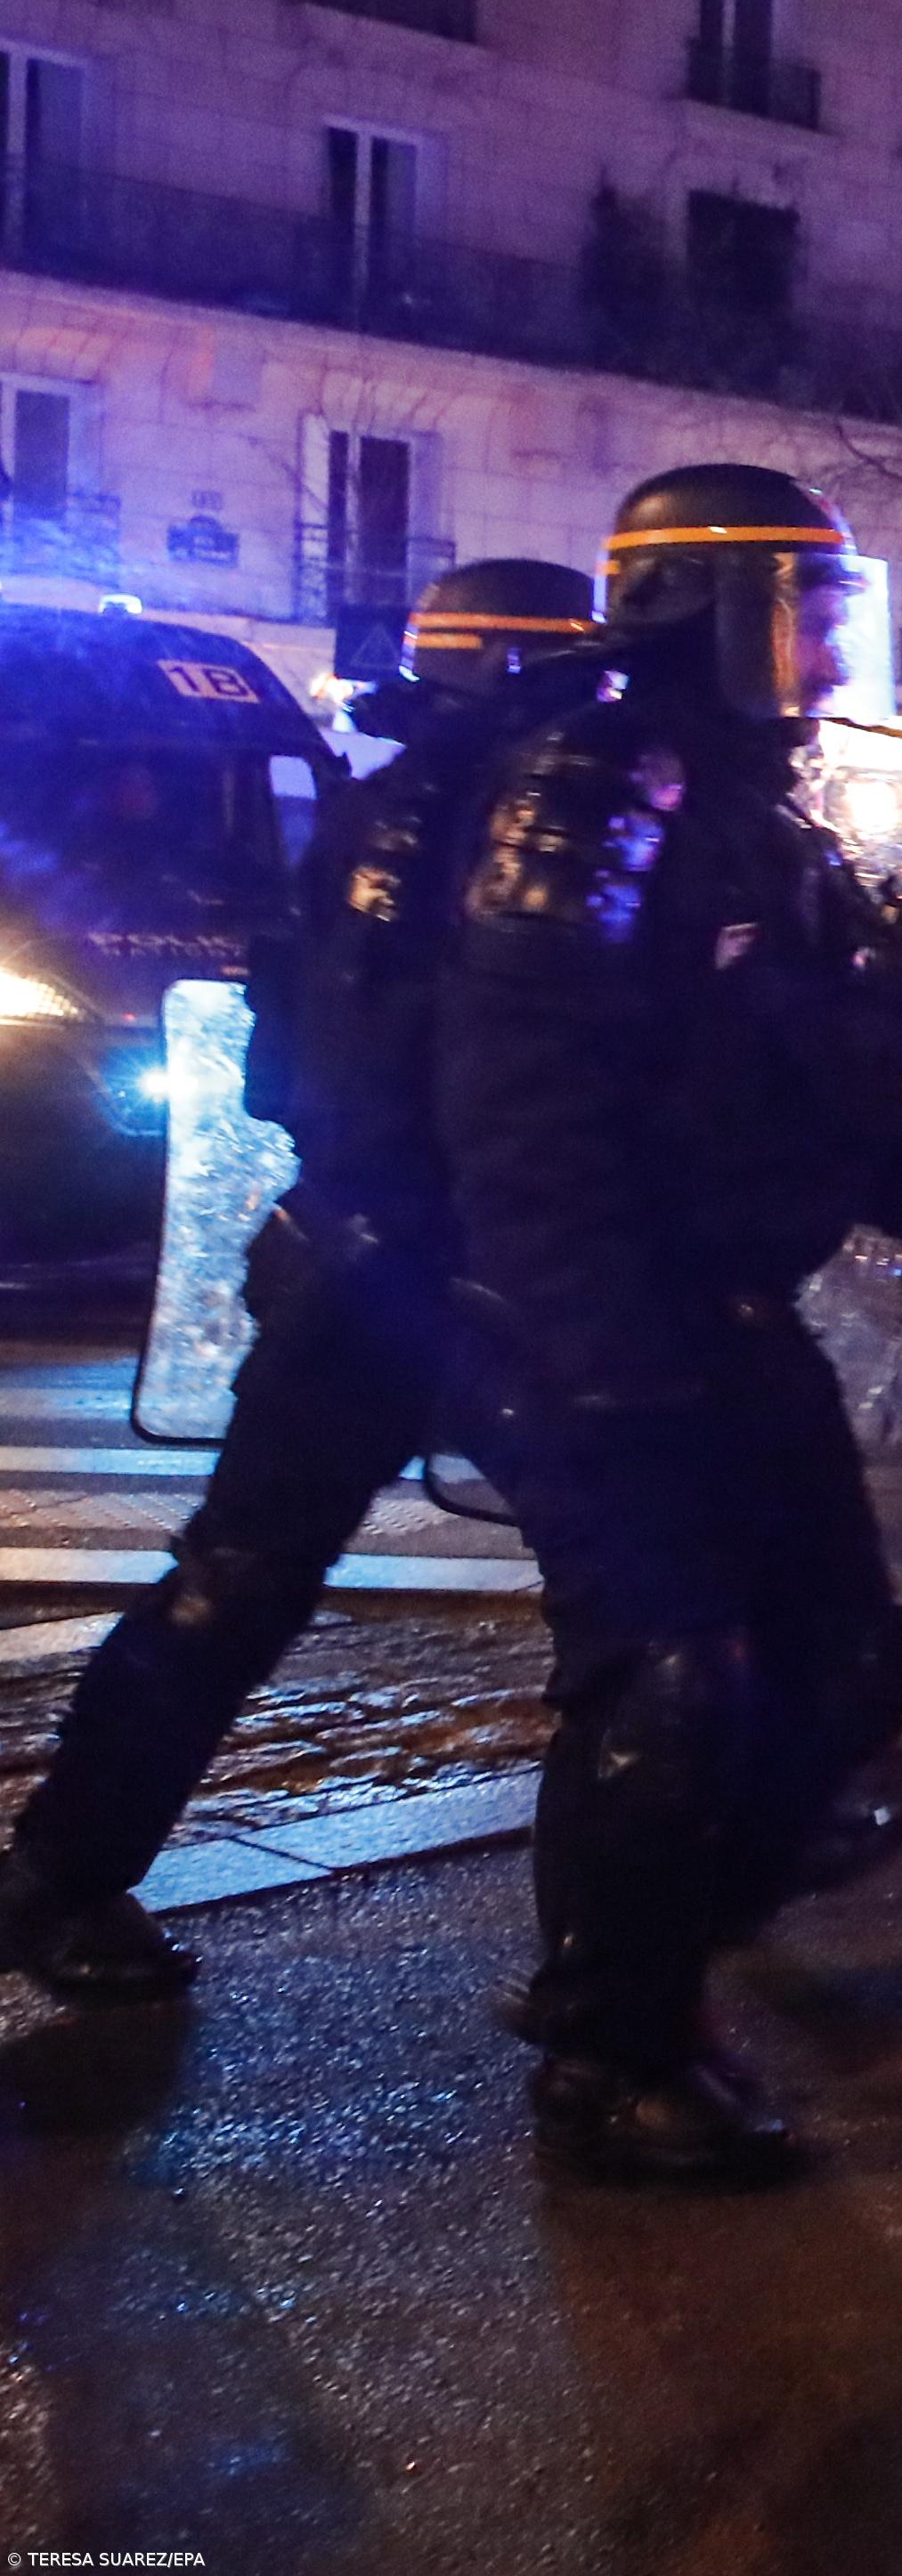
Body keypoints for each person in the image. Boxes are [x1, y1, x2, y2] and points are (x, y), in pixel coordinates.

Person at [437, 466, 902, 2185]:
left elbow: (759, 1037)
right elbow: (522, 1078)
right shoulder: (604, 776)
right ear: (718, 604)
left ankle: (666, 1939)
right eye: (806, 609)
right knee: (670, 1683)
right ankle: (610, 2046)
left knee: (843, 1655)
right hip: (616, 1318)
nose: (828, 650)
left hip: (731, 1306)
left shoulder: (752, 800)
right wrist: (589, 1338)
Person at [0, 564, 604, 2003]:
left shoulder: (379, 810)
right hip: (442, 1264)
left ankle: (61, 1872)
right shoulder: (467, 829)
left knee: (240, 1577)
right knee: (631, 1585)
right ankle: (631, 1948)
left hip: (356, 1252)